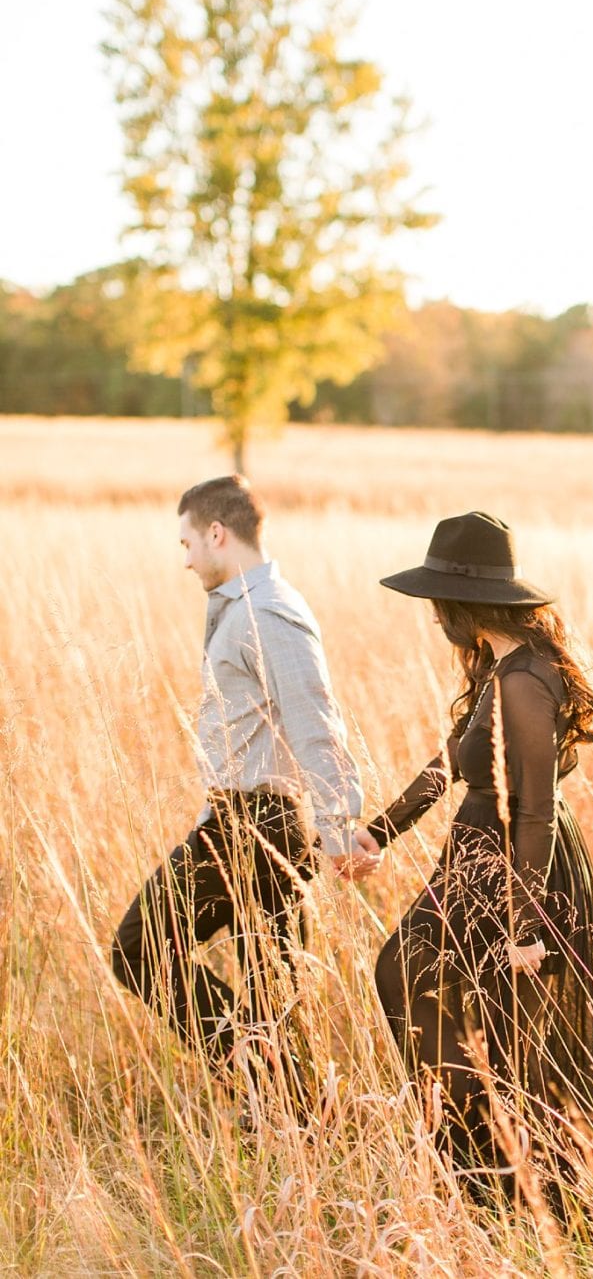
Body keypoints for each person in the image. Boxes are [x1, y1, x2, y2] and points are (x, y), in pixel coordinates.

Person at [348, 511, 593, 1221]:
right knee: (467, 1001)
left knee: (437, 981)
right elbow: (453, 762)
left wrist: (526, 923)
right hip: (482, 846)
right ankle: (491, 1174)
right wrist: (380, 831)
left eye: (437, 603)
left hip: (515, 860)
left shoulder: (523, 679)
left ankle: (505, 1178)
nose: (433, 619)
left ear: (463, 602)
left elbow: (537, 807)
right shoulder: (501, 663)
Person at [111, 474, 364, 1110]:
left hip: (258, 826)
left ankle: (279, 1090)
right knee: (270, 989)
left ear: (218, 534)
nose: (186, 558)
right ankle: (292, 1110)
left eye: (189, 542)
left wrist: (339, 828)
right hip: (241, 819)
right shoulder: (243, 607)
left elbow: (315, 722)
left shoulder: (269, 612)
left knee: (140, 949)